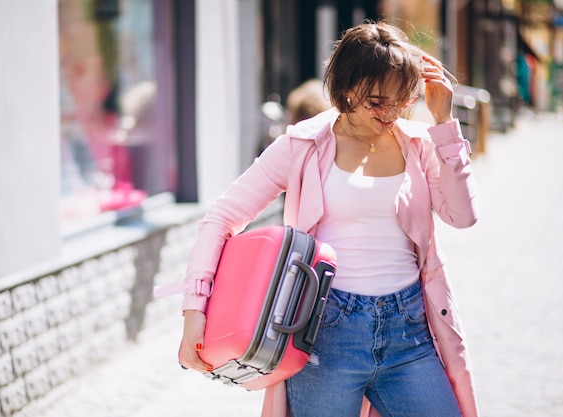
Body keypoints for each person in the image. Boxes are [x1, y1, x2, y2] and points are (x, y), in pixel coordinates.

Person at [180, 21, 479, 417]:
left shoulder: (420, 144)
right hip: (327, 332)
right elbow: (221, 217)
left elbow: (462, 216)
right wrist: (193, 309)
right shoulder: (302, 145)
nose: (389, 112)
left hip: (409, 330)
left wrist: (444, 124)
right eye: (376, 101)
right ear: (345, 89)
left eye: (401, 99)